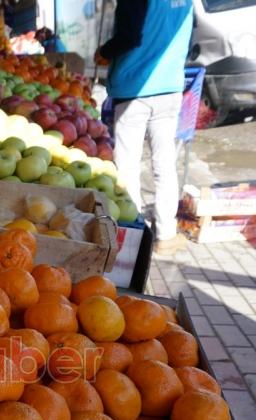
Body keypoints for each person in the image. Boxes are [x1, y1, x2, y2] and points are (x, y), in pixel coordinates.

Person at [96, 0, 193, 255]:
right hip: (169, 86)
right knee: (164, 163)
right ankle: (165, 235)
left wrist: (104, 52)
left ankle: (131, 241)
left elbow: (129, 37)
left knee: (127, 165)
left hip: (134, 88)